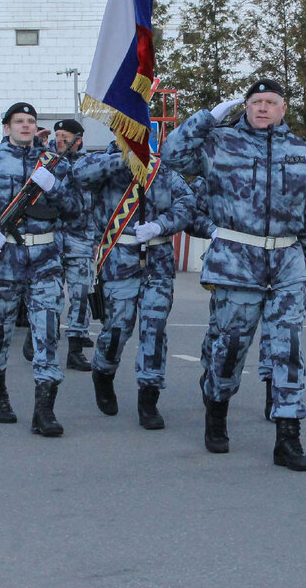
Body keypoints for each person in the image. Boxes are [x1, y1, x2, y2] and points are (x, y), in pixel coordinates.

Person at [161, 78, 306, 471]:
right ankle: (216, 412)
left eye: (271, 102)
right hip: (237, 261)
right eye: (256, 102)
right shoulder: (219, 144)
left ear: (283, 108)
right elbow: (170, 156)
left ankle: (288, 437)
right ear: (246, 106)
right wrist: (206, 119)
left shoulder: (303, 153)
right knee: (230, 347)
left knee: (287, 350)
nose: (263, 108)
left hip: (288, 261)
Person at [0, 102, 80, 436]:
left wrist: (54, 187)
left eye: (31, 121)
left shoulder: (54, 164)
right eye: (19, 121)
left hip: (45, 260)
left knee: (47, 331)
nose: (25, 126)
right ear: (6, 128)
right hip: (4, 259)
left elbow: (75, 210)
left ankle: (44, 412)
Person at [75, 143, 196, 429]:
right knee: (118, 327)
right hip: (119, 259)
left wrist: (161, 225)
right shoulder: (104, 163)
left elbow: (187, 205)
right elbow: (80, 176)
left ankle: (149, 398)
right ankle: (103, 372)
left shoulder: (162, 169)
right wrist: (123, 160)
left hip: (158, 260)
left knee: (154, 329)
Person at [52, 118, 94, 371]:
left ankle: (76, 348)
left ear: (77, 140)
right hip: (52, 239)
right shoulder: (47, 161)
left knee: (80, 297)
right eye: (57, 136)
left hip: (80, 239)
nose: (59, 140)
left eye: (65, 137)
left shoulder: (89, 164)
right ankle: (38, 340)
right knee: (49, 296)